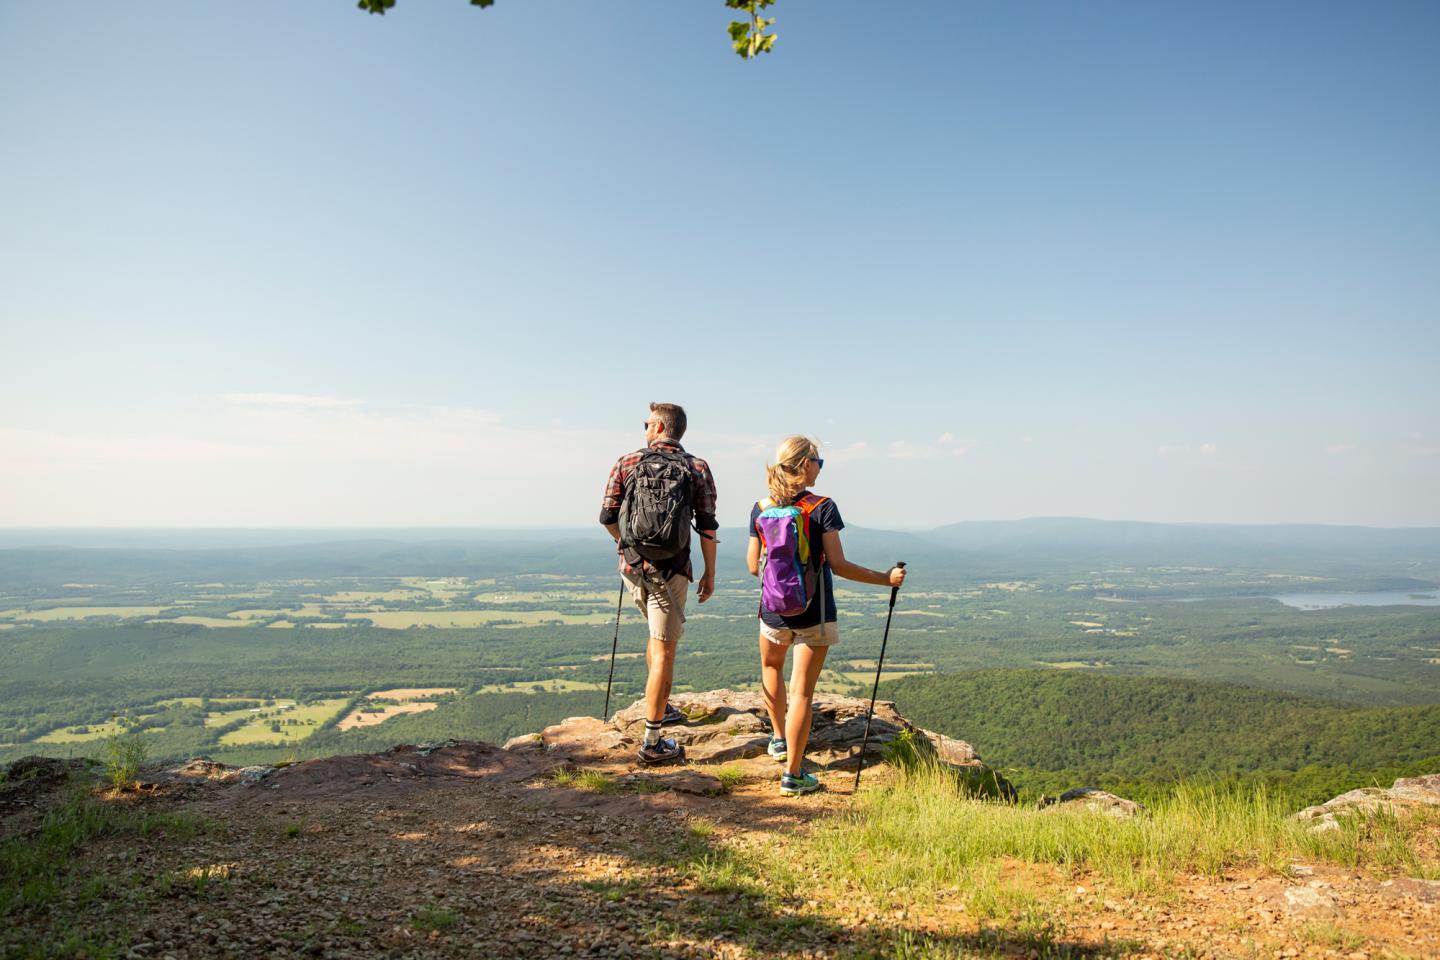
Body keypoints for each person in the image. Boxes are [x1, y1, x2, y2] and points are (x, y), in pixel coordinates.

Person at [748, 436, 906, 796]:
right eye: (819, 460)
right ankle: (792, 775)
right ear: (805, 465)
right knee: (802, 691)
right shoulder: (823, 507)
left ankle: (778, 739)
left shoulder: (761, 507)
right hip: (815, 613)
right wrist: (886, 579)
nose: (821, 466)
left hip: (772, 610)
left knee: (771, 668)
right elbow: (838, 564)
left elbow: (750, 566)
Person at [600, 402, 719, 765]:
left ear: (658, 427)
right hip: (673, 568)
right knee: (665, 648)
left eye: (646, 423)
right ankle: (652, 743)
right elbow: (708, 526)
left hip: (634, 566)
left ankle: (661, 706)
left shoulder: (627, 462)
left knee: (656, 638)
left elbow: (606, 515)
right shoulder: (697, 467)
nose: (644, 428)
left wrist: (626, 545)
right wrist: (709, 573)